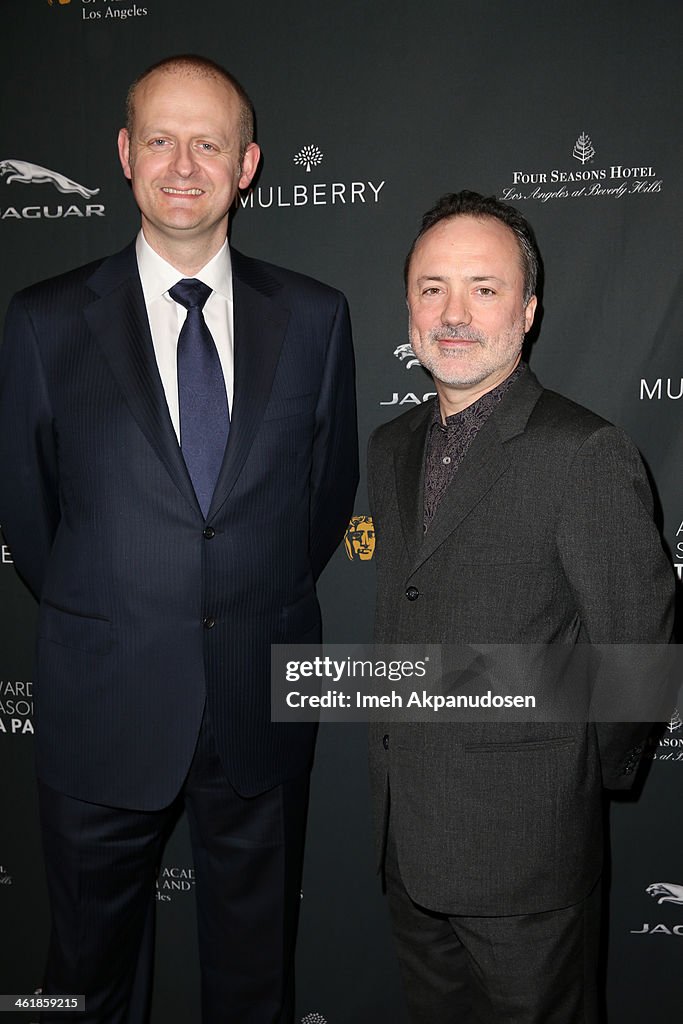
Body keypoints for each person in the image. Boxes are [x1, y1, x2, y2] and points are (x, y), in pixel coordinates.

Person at [0, 54, 358, 1023]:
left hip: (256, 695)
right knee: (85, 974)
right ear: (124, 154)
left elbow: (323, 502)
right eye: (160, 139)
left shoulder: (317, 319)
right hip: (102, 703)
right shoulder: (40, 324)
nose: (183, 164)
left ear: (248, 164)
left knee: (254, 980)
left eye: (209, 142)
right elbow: (33, 523)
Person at [367, 190, 674, 1023]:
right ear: (408, 306)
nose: (453, 313)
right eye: (431, 288)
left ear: (528, 310)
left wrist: (571, 781)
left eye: (484, 288)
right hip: (408, 843)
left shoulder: (584, 452)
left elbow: (637, 650)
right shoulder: (389, 446)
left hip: (528, 858)